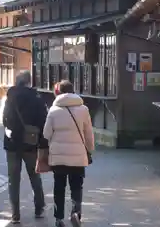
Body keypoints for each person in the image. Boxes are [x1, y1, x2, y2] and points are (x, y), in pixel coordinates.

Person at [43, 80, 94, 227]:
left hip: (58, 157)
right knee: (76, 186)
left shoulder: (53, 110)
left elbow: (46, 134)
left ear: (58, 92)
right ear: (73, 91)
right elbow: (89, 133)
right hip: (78, 156)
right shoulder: (83, 109)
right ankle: (75, 213)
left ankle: (59, 219)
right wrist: (89, 150)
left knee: (59, 187)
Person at [3, 70, 48, 224]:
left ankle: (15, 213)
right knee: (34, 176)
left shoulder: (11, 96)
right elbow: (43, 120)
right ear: (29, 81)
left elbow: (5, 118)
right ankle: (39, 208)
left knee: (13, 179)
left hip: (12, 143)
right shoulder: (36, 97)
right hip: (31, 142)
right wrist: (42, 143)